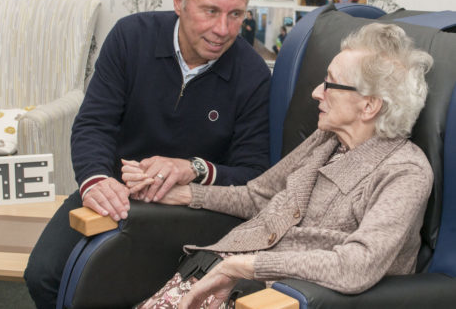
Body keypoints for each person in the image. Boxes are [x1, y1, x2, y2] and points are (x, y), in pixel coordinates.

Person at [24, 0, 271, 308]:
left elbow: (255, 176)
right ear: (178, 2)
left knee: (137, 290)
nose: (223, 29)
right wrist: (94, 180)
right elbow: (94, 124)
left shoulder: (252, 74)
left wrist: (193, 169)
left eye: (236, 14)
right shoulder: (130, 37)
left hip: (193, 213)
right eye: (211, 11)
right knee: (45, 275)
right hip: (114, 194)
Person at [135, 22, 434, 308]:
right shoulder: (326, 139)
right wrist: (188, 194)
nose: (317, 92)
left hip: (277, 297)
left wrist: (247, 266)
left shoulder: (405, 172)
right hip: (225, 272)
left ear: (369, 105)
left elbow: (358, 264)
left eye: (330, 83)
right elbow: (259, 196)